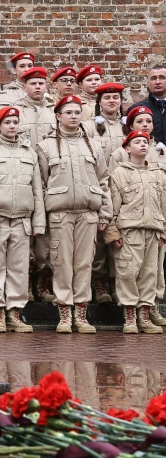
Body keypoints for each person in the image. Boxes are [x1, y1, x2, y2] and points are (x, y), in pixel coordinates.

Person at [37, 95, 111, 333]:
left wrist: (104, 213)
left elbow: (103, 181)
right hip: (60, 213)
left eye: (77, 112)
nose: (73, 116)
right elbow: (41, 184)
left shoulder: (94, 145)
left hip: (88, 214)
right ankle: (64, 314)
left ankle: (81, 313)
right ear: (58, 116)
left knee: (84, 263)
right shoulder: (45, 146)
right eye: (68, 112)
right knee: (62, 264)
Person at [0, 107, 45, 333]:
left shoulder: (29, 152)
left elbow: (37, 189)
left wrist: (39, 222)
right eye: (7, 122)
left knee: (19, 269)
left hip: (22, 220)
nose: (12, 126)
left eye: (15, 122)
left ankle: (15, 313)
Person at [105, 130, 166, 334]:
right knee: (128, 272)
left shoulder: (158, 174)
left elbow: (164, 205)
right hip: (129, 232)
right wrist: (113, 233)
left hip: (153, 230)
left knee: (150, 274)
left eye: (145, 141)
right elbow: (112, 207)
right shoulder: (119, 174)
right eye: (137, 142)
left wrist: (164, 231)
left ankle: (145, 315)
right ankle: (130, 316)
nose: (143, 144)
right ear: (127, 148)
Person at [85, 82, 127, 304]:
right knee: (100, 234)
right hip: (100, 185)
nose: (112, 101)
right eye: (107, 97)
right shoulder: (89, 127)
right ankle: (100, 281)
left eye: (116, 97)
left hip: (125, 188)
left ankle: (116, 281)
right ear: (99, 102)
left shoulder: (128, 127)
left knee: (119, 233)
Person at [131, 62, 166, 140]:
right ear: (147, 83)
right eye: (153, 78)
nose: (158, 82)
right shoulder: (137, 108)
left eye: (162, 78)